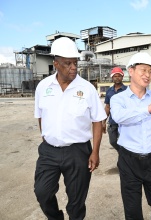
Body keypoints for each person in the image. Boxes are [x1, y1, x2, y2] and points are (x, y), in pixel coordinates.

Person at [34, 37, 107, 219]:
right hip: (49, 151)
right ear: (56, 64)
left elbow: (98, 121)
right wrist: (46, 137)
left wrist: (95, 152)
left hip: (78, 152)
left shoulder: (87, 88)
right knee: (42, 192)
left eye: (75, 62)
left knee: (76, 202)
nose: (73, 67)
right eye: (68, 63)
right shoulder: (43, 87)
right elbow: (40, 116)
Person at [110, 52, 151, 220]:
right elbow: (120, 118)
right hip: (129, 160)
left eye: (150, 71)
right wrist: (147, 109)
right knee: (132, 211)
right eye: (143, 70)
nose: (147, 75)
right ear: (131, 71)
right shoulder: (119, 99)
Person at [102, 67, 127, 152]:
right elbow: (107, 107)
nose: (117, 78)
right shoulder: (109, 91)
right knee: (113, 141)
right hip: (113, 122)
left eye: (119, 76)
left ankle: (123, 161)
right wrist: (104, 121)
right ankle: (123, 155)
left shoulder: (127, 90)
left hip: (124, 122)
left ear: (122, 77)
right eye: (115, 76)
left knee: (124, 143)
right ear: (112, 78)